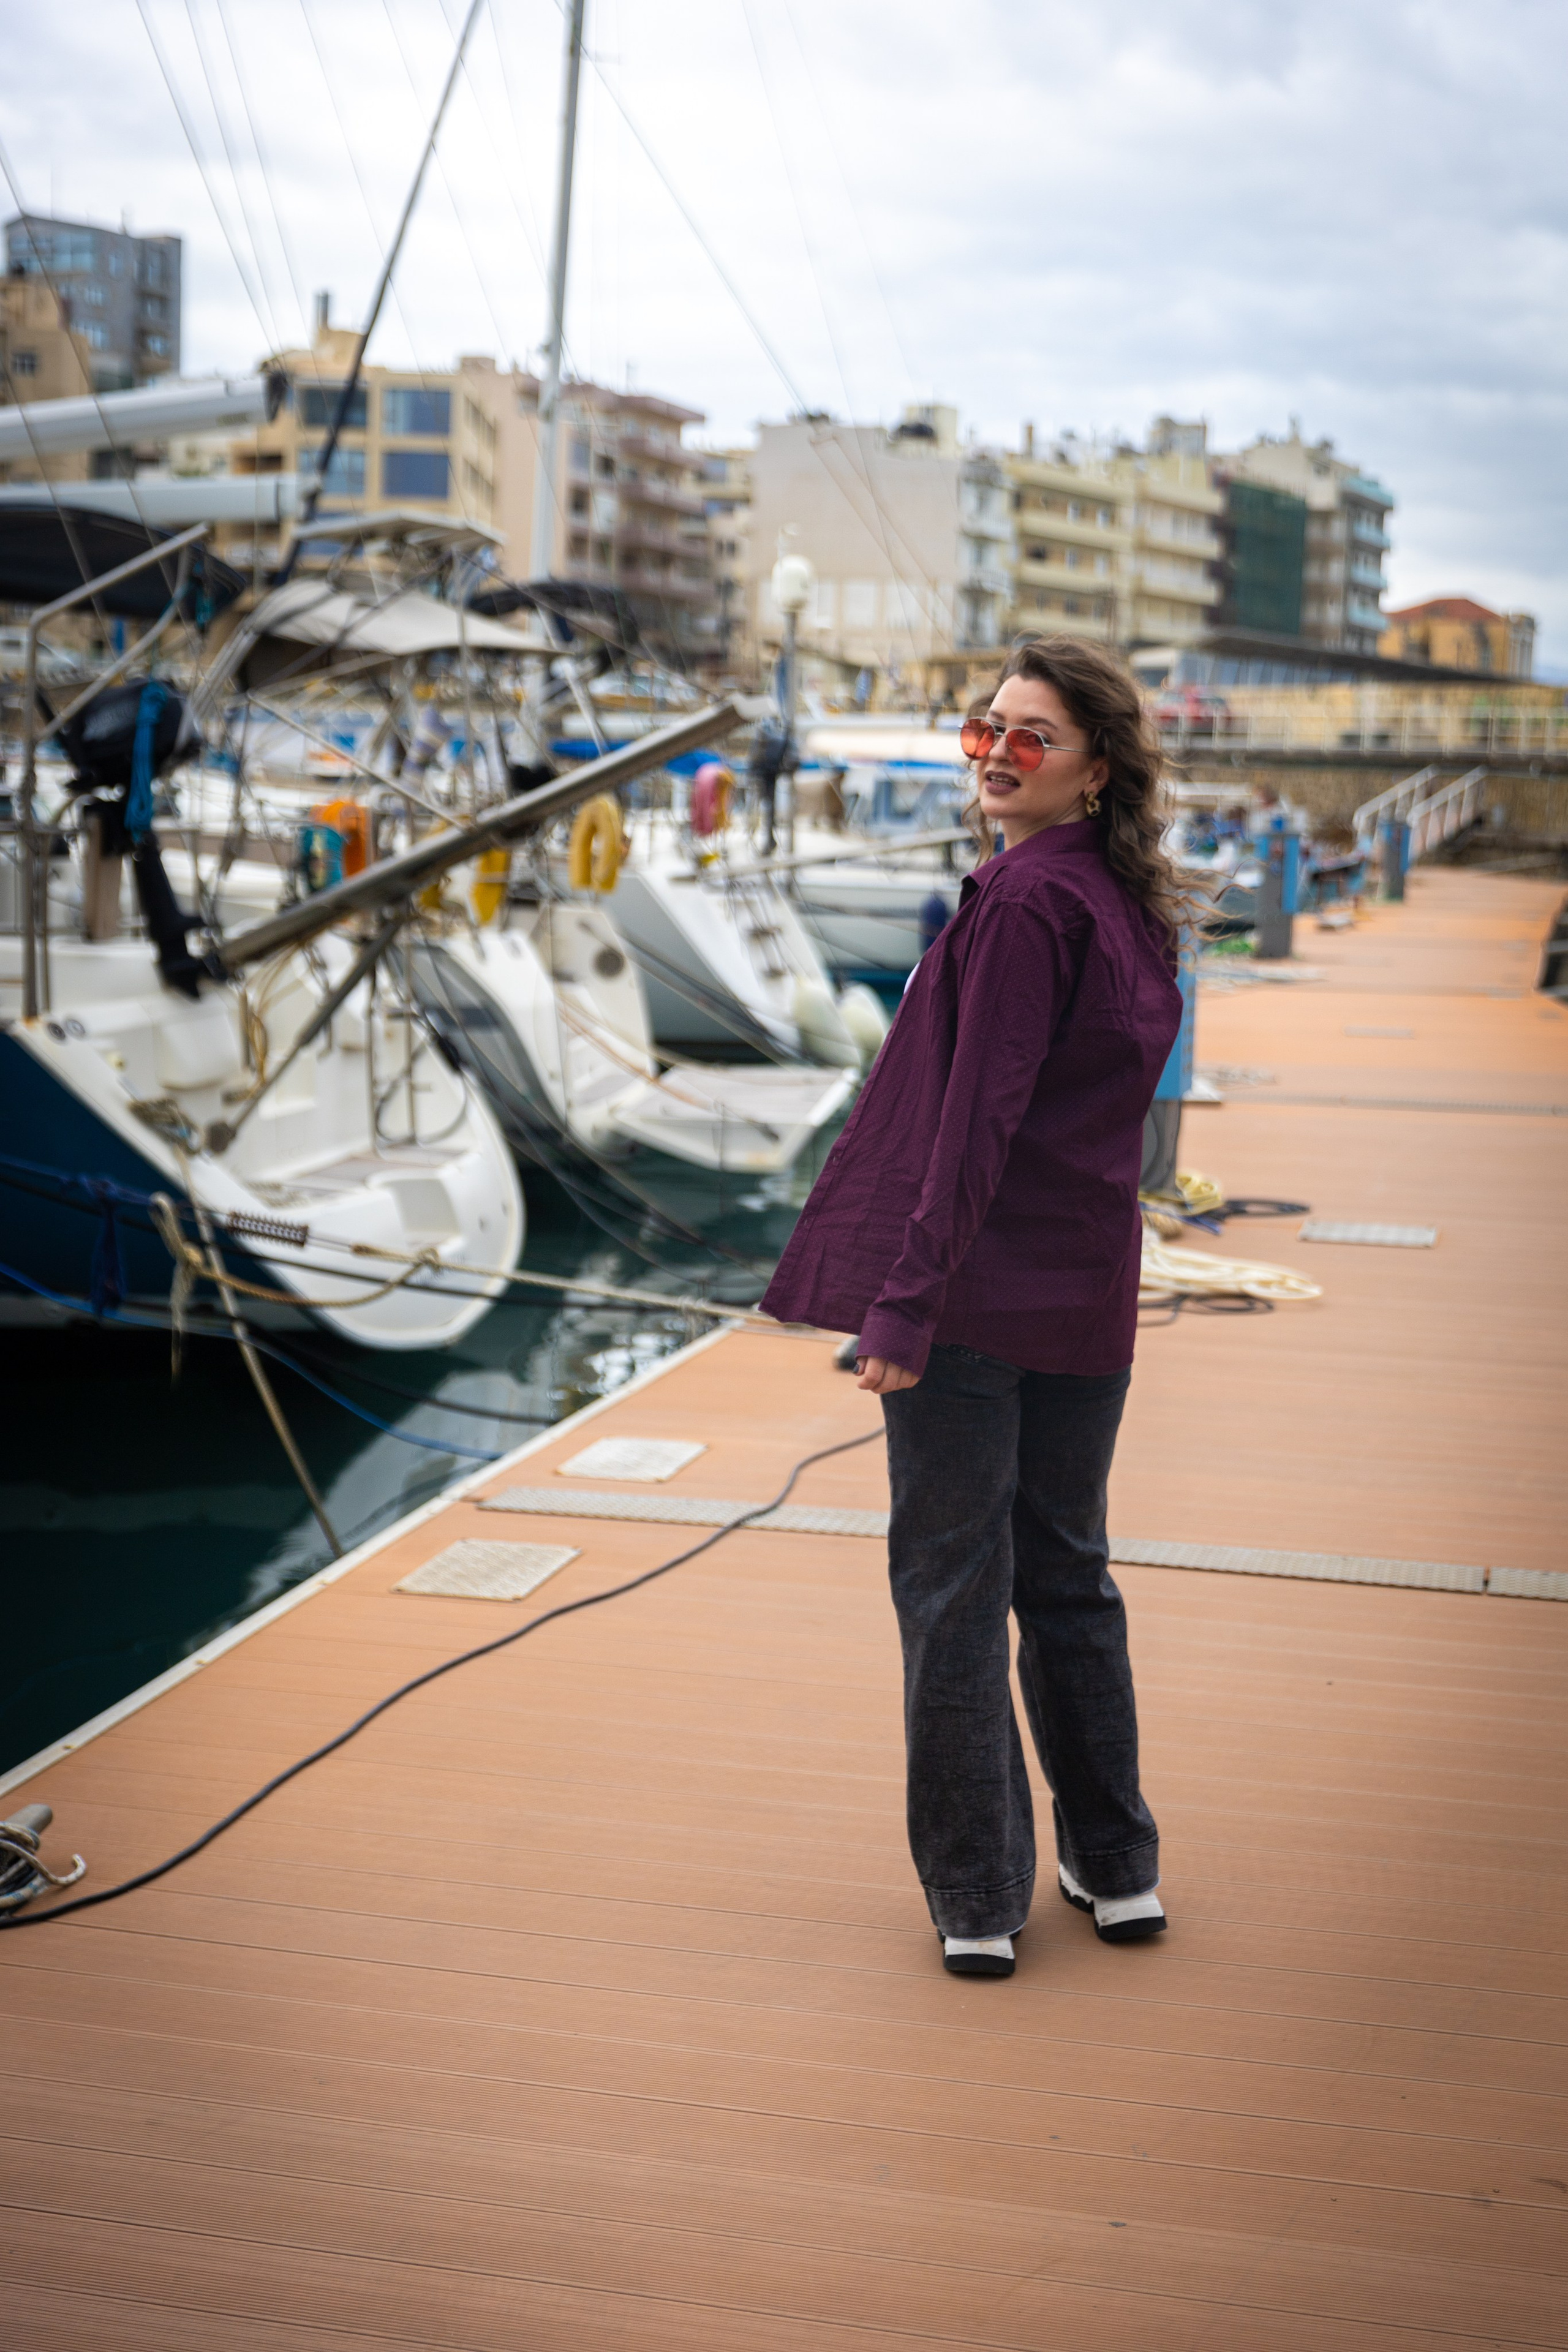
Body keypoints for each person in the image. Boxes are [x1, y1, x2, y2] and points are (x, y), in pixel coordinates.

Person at [762, 636, 1186, 1980]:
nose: (997, 755)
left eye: (1030, 737)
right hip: (1088, 1298)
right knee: (1068, 1577)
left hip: (975, 1304)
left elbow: (972, 1128)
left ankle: (979, 1893)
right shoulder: (1131, 905)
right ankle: (1115, 1867)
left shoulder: (1019, 903)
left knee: (953, 1590)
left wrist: (903, 1307)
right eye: (984, 730)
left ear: (1094, 769)